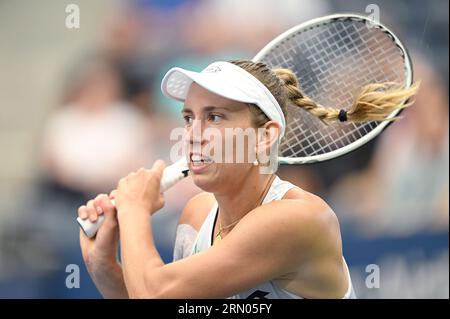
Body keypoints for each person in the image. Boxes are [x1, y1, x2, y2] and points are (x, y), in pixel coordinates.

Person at [77, 60, 418, 298]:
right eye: (188, 117)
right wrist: (104, 267)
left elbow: (155, 292)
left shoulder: (299, 220)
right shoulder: (197, 216)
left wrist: (135, 211)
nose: (193, 134)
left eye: (214, 117)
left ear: (265, 136)